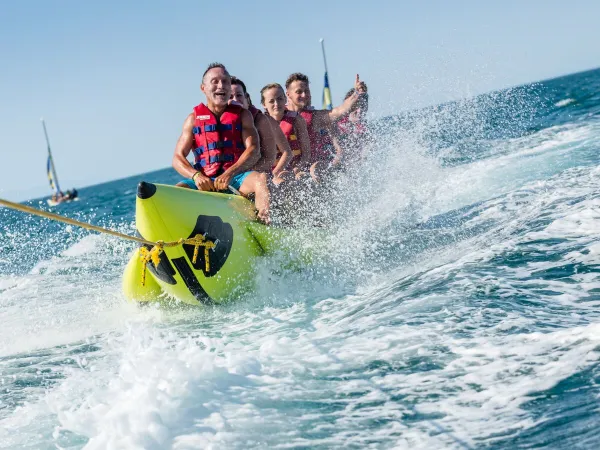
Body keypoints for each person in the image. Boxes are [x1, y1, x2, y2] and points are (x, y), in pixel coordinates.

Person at [172, 63, 270, 223]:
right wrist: (196, 176)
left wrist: (229, 173)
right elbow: (177, 158)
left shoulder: (243, 115)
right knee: (176, 191)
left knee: (261, 180)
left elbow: (254, 150)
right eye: (215, 81)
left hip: (237, 178)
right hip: (204, 180)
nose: (221, 85)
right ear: (203, 88)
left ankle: (264, 226)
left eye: (225, 81)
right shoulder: (193, 120)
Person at [285, 72, 366, 176]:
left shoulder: (316, 117)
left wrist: (357, 93)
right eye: (299, 92)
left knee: (315, 169)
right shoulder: (279, 116)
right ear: (288, 94)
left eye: (307, 91)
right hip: (288, 171)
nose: (304, 95)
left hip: (313, 170)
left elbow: (340, 110)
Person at [230, 77, 291, 179]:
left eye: (239, 95)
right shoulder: (222, 121)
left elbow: (270, 158)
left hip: (256, 176)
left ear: (247, 98)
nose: (235, 100)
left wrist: (239, 174)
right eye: (230, 96)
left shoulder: (262, 120)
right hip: (231, 175)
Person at [260, 83, 311, 175]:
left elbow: (306, 153)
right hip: (273, 173)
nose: (276, 104)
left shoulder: (297, 119)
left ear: (285, 99)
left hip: (297, 169)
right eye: (271, 101)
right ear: (264, 104)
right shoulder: (260, 124)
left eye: (279, 99)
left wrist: (298, 168)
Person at [336, 85, 370, 157]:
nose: (359, 110)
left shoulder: (363, 127)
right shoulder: (338, 123)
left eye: (362, 106)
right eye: (356, 106)